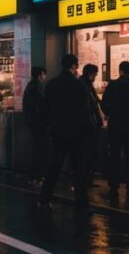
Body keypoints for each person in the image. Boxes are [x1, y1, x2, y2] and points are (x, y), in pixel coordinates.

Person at [38, 54, 94, 210]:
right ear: (74, 66)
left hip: (57, 132)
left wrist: (48, 127)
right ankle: (82, 204)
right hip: (76, 133)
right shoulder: (79, 85)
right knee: (79, 169)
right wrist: (88, 130)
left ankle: (44, 199)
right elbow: (85, 110)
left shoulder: (51, 84)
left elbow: (45, 109)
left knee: (54, 167)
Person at [101, 61, 129, 197]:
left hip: (116, 126)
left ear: (120, 71)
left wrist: (110, 113)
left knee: (114, 155)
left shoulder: (113, 85)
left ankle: (114, 185)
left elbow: (104, 103)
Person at [22, 66, 48, 184]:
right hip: (39, 122)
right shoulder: (37, 86)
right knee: (39, 149)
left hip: (32, 121)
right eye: (44, 74)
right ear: (41, 74)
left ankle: (35, 175)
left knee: (36, 148)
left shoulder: (30, 85)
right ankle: (36, 176)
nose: (45, 77)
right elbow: (42, 105)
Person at [79, 64, 103, 186]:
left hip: (87, 124)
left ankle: (86, 178)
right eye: (96, 74)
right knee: (88, 152)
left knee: (87, 153)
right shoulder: (84, 85)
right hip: (87, 125)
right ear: (91, 74)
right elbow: (90, 106)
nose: (96, 76)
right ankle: (86, 179)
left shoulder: (84, 83)